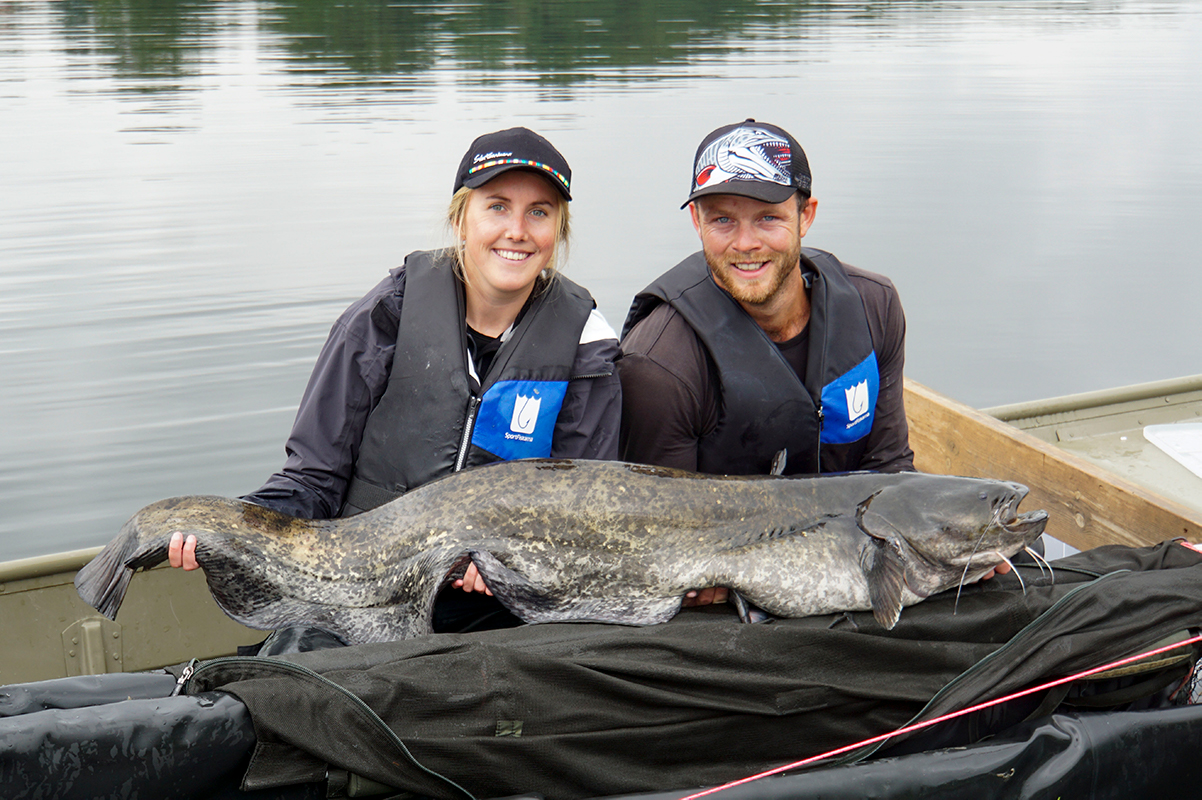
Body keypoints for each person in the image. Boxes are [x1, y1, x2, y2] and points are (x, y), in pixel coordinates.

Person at [170, 126, 622, 636]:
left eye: (539, 212)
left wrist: (509, 563)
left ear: (557, 231)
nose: (517, 230)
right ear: (461, 219)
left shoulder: (587, 342)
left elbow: (583, 512)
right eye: (497, 206)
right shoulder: (386, 317)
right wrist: (235, 524)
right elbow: (313, 478)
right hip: (362, 593)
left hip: (506, 609)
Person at [620, 120, 947, 605]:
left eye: (768, 218)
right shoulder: (660, 362)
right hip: (721, 598)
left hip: (850, 554)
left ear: (805, 214)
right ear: (697, 223)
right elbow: (662, 542)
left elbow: (890, 470)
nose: (745, 243)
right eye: (722, 220)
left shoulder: (874, 307)